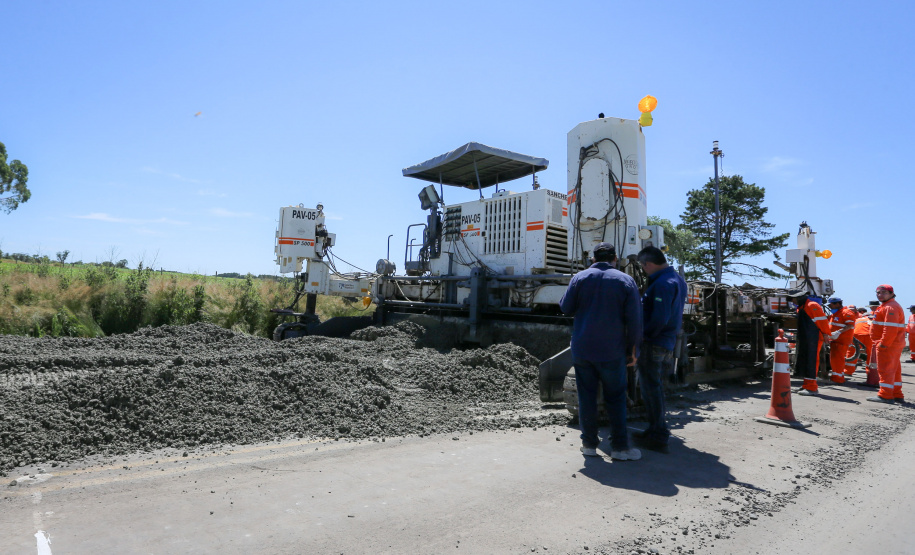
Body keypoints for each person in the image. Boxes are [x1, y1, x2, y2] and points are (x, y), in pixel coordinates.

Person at [559, 242, 643, 460]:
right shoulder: (626, 280)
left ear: (593, 259)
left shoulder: (579, 278)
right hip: (612, 351)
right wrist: (634, 349)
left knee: (586, 397)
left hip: (583, 349)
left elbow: (565, 307)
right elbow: (635, 320)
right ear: (615, 258)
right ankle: (620, 448)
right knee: (615, 398)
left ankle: (588, 445)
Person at [634, 246, 687, 454]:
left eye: (642, 266)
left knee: (651, 389)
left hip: (654, 342)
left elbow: (659, 318)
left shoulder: (663, 285)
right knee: (654, 388)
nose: (643, 270)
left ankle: (658, 436)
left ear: (648, 264)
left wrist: (642, 336)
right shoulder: (676, 279)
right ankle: (655, 430)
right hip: (665, 342)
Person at [868, 285, 906, 403]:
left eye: (884, 292)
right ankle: (896, 393)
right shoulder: (887, 306)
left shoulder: (890, 307)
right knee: (894, 370)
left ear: (891, 293)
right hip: (892, 344)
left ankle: (885, 395)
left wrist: (883, 344)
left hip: (888, 345)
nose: (880, 295)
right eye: (878, 292)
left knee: (886, 369)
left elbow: (890, 328)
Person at [789, 289, 831, 395]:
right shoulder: (801, 307)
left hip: (814, 337)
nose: (793, 301)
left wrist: (826, 334)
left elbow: (823, 321)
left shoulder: (812, 305)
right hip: (806, 337)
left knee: (812, 360)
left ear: (800, 298)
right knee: (806, 360)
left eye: (794, 298)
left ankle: (812, 387)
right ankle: (806, 385)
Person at [826, 298, 857, 384]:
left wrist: (838, 332)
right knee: (835, 360)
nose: (829, 307)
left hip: (841, 340)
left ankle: (838, 378)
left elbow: (850, 325)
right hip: (835, 340)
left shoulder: (846, 312)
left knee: (838, 360)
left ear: (837, 304)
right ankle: (837, 377)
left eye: (831, 305)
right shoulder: (836, 313)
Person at [851, 307, 873, 379]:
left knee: (853, 352)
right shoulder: (872, 320)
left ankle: (848, 370)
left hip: (856, 335)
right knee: (870, 354)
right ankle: (869, 372)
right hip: (869, 336)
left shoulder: (857, 319)